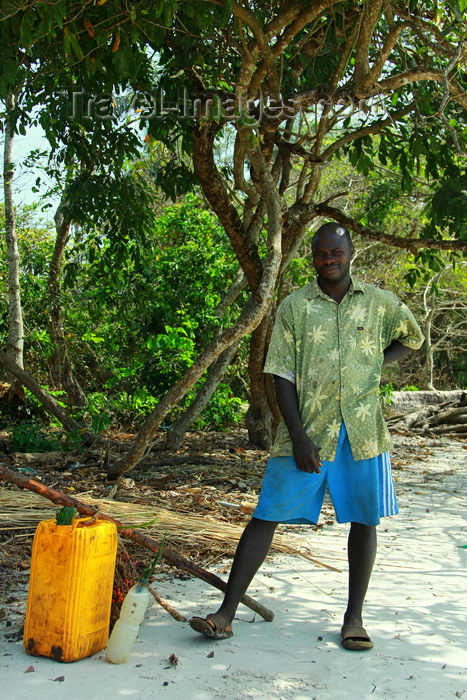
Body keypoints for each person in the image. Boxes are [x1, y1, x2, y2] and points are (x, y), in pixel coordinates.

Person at [189, 222, 424, 650]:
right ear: (312, 257)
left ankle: (354, 619)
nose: (328, 260)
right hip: (306, 431)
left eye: (336, 252)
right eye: (320, 254)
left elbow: (413, 337)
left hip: (363, 432)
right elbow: (280, 374)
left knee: (364, 520)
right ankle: (225, 613)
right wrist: (296, 436)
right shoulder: (295, 307)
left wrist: (375, 365)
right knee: (266, 515)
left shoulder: (379, 303)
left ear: (351, 252)